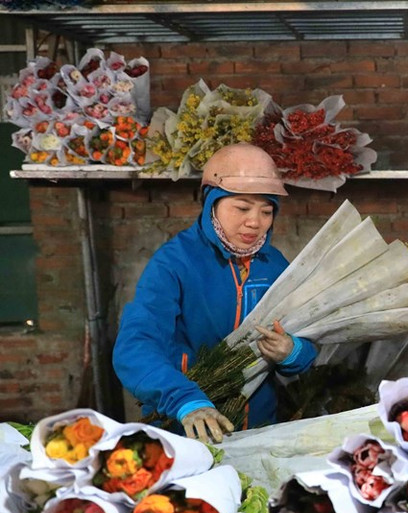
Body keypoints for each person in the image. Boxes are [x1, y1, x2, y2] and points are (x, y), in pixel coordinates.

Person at [113, 143, 317, 443]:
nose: (255, 222)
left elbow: (310, 339)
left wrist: (294, 351)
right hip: (187, 429)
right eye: (242, 207)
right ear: (212, 202)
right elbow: (135, 345)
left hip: (260, 430)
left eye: (267, 210)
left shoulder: (274, 265)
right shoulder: (174, 262)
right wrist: (184, 400)